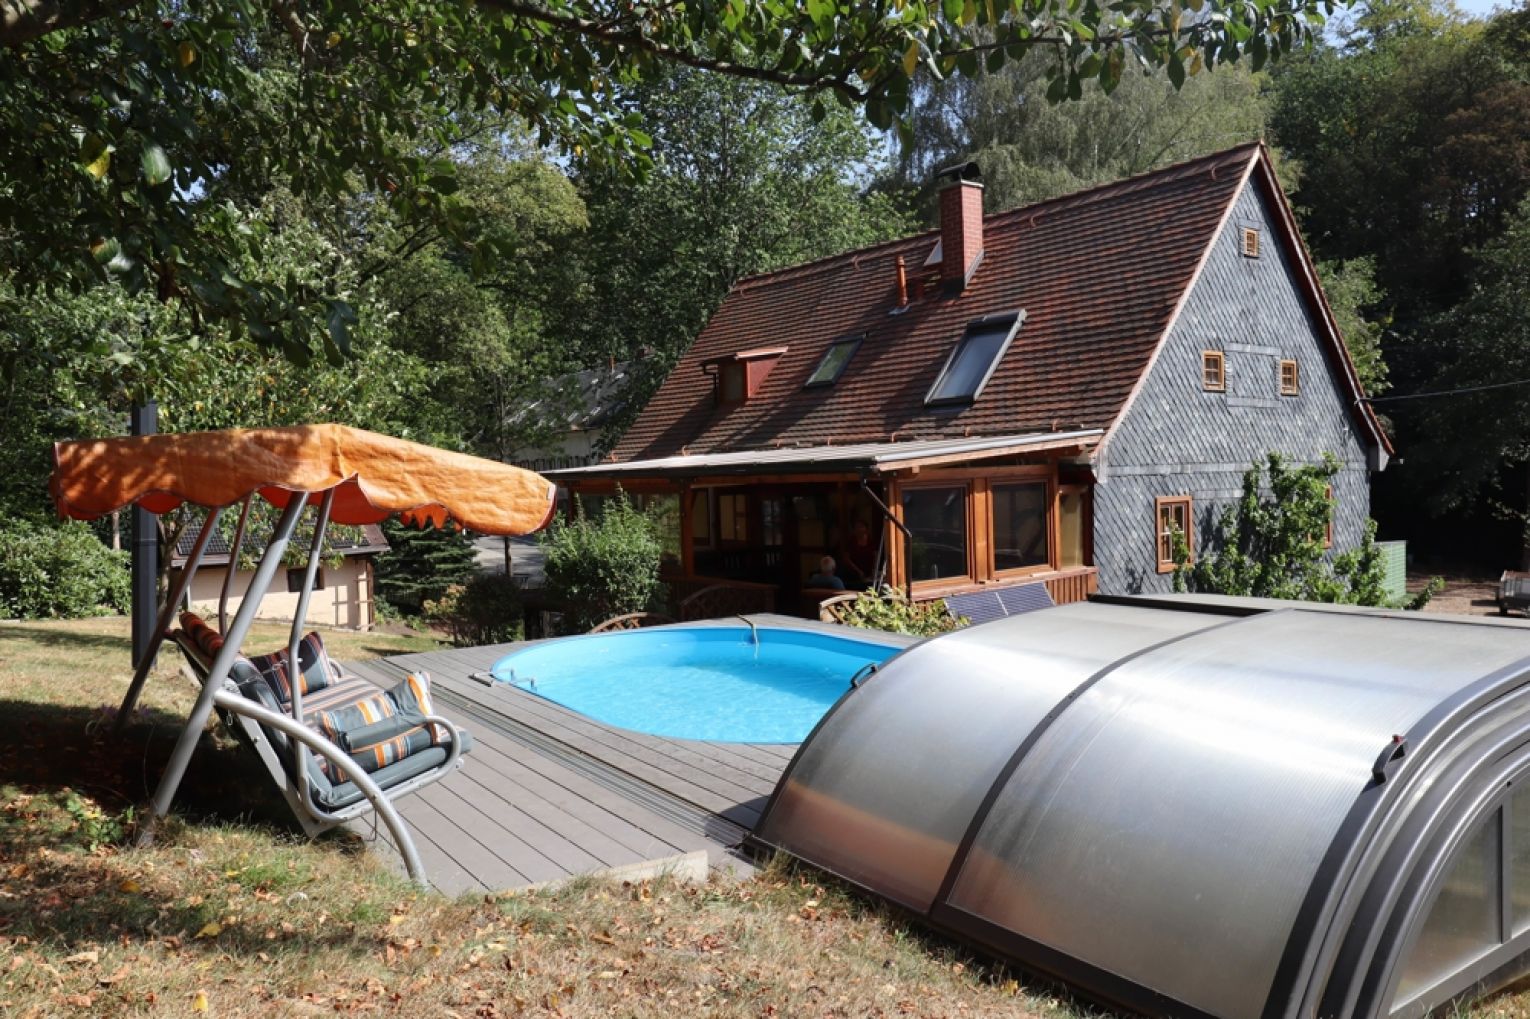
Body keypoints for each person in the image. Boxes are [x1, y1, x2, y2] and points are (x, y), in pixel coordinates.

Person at [843, 519, 878, 587]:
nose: (859, 529)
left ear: (866, 528)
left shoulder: (871, 541)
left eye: (861, 526)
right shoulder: (851, 541)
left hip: (870, 572)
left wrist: (874, 569)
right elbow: (846, 559)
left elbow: (876, 556)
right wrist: (858, 571)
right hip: (854, 573)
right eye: (856, 527)